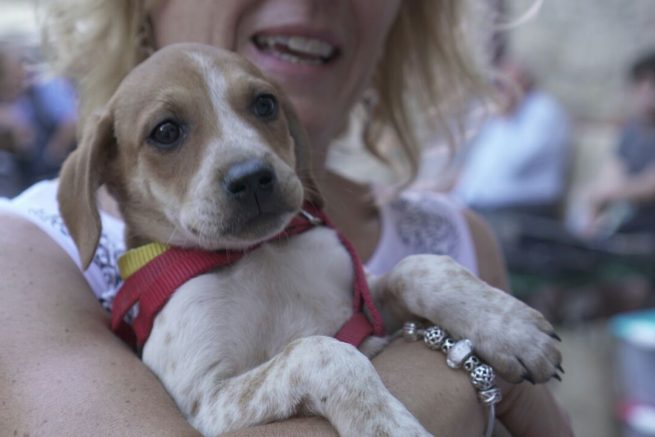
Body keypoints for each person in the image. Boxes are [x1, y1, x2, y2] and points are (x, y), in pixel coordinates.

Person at [0, 1, 572, 436]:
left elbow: (366, 306)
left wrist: (420, 285)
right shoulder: (39, 260)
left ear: (288, 131)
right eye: (168, 133)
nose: (245, 165)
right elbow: (208, 406)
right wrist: (458, 376)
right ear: (105, 171)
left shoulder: (394, 234)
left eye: (261, 106)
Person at [452, 57, 571, 220]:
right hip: (481, 206)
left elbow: (514, 165)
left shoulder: (543, 111)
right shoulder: (499, 118)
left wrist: (508, 112)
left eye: (502, 85)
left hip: (520, 209)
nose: (496, 91)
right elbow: (477, 171)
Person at [584, 50, 655, 238]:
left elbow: (650, 186)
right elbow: (613, 170)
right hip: (630, 220)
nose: (646, 92)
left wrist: (608, 193)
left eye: (652, 84)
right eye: (641, 84)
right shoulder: (632, 129)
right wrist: (597, 208)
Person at [0, 42, 77, 192]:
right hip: (22, 178)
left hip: (54, 171)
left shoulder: (45, 89)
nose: (23, 70)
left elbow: (71, 122)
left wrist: (51, 155)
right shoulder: (10, 102)